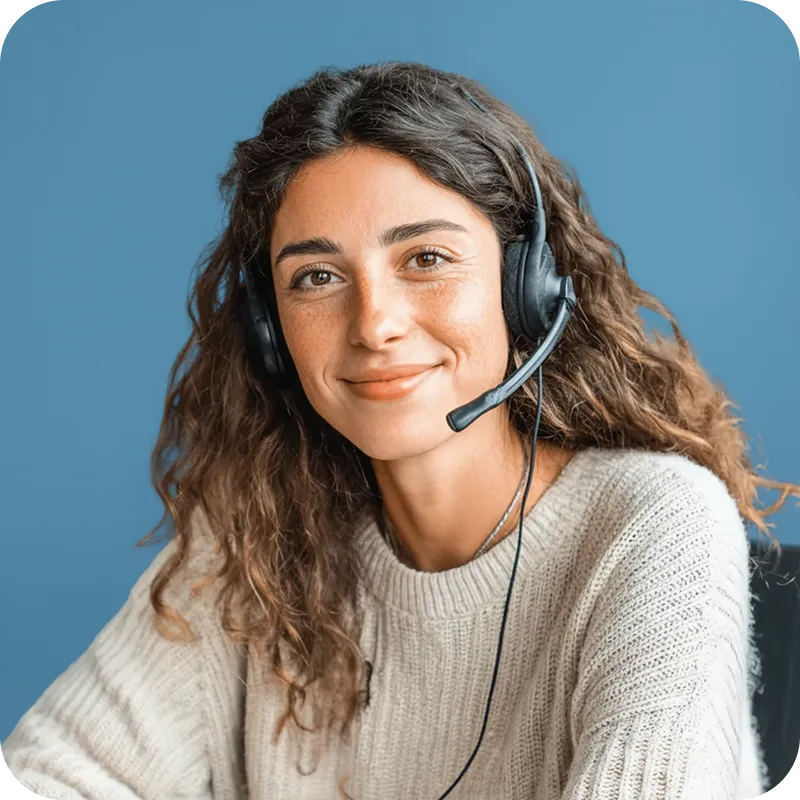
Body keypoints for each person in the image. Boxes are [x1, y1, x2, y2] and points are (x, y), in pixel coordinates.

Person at [1, 60, 796, 800]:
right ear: (271, 330)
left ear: (528, 291)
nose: (374, 324)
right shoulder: (256, 532)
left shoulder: (653, 522)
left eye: (425, 259)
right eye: (316, 277)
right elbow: (51, 771)